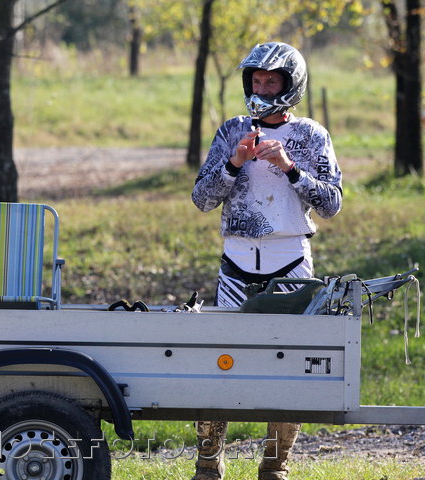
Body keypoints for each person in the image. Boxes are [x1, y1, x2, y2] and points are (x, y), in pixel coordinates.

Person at [190, 42, 343, 480]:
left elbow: (332, 203)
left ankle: (275, 464)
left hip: (291, 263)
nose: (260, 88)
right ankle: (207, 461)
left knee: (289, 364)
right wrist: (234, 162)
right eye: (255, 80)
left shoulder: (312, 135)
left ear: (290, 85)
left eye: (270, 81)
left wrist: (291, 168)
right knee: (220, 361)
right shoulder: (230, 131)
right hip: (236, 262)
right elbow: (202, 199)